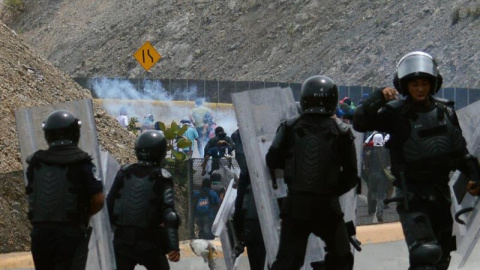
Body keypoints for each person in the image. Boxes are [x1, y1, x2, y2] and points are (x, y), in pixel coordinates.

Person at [353, 51, 480, 270]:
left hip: (441, 197)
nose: (420, 89)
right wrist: (379, 97)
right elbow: (360, 122)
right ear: (405, 86)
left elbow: (461, 153)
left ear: (432, 84)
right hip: (412, 198)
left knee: (441, 259)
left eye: (424, 83)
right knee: (425, 254)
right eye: (414, 84)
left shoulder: (446, 111)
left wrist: (474, 176)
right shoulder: (395, 114)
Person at [266, 75, 358, 270]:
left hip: (296, 204)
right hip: (328, 206)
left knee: (287, 262)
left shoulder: (289, 127)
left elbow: (271, 160)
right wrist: (331, 190)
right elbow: (351, 176)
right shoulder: (341, 131)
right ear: (333, 100)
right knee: (342, 259)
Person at [25, 110, 105, 270]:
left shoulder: (36, 162)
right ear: (75, 133)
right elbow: (98, 199)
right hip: (71, 232)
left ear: (48, 135)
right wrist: (85, 215)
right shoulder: (82, 162)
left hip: (40, 234)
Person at [107, 130, 181, 270]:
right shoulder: (162, 177)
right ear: (161, 152)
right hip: (150, 240)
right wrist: (173, 246)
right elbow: (170, 215)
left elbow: (109, 205)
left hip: (122, 240)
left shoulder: (124, 172)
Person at [362, 133, 391, 222]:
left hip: (371, 175)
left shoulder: (368, 151)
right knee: (381, 196)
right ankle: (379, 213)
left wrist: (369, 137)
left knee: (371, 192)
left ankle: (371, 208)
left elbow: (363, 148)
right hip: (382, 175)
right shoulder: (386, 150)